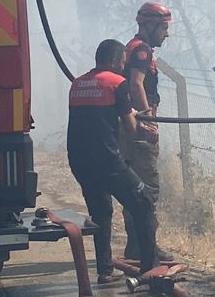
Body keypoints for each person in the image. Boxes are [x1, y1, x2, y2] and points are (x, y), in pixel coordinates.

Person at [65, 39, 155, 280]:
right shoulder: (117, 82)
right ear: (116, 60)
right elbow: (130, 128)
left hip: (80, 162)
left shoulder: (77, 83)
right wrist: (144, 126)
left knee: (101, 213)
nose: (124, 65)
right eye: (123, 61)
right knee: (143, 204)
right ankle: (150, 270)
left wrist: (127, 111)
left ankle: (105, 270)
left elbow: (97, 115)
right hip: (107, 161)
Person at [122, 1, 174, 265]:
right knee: (147, 188)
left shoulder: (132, 47)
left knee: (132, 187)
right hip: (139, 127)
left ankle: (135, 246)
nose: (166, 33)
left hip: (127, 126)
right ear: (151, 25)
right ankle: (147, 248)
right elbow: (136, 84)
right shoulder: (141, 51)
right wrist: (148, 120)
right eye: (164, 28)